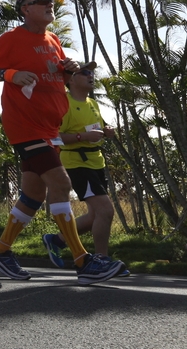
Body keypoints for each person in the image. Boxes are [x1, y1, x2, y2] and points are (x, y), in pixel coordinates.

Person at [0, 0, 123, 285]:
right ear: (25, 8)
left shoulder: (53, 40)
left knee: (34, 193)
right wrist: (10, 74)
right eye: (42, 1)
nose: (49, 5)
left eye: (51, 1)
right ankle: (83, 261)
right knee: (61, 182)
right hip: (25, 125)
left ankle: (1, 251)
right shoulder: (12, 39)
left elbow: (58, 77)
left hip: (49, 129)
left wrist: (68, 70)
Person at [42, 61, 129, 276]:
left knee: (93, 216)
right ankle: (102, 259)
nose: (91, 75)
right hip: (77, 163)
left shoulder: (92, 103)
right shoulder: (64, 103)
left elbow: (94, 129)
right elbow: (54, 137)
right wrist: (83, 137)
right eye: (84, 72)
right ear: (71, 79)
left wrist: (105, 132)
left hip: (96, 162)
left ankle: (57, 240)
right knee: (106, 211)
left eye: (91, 72)